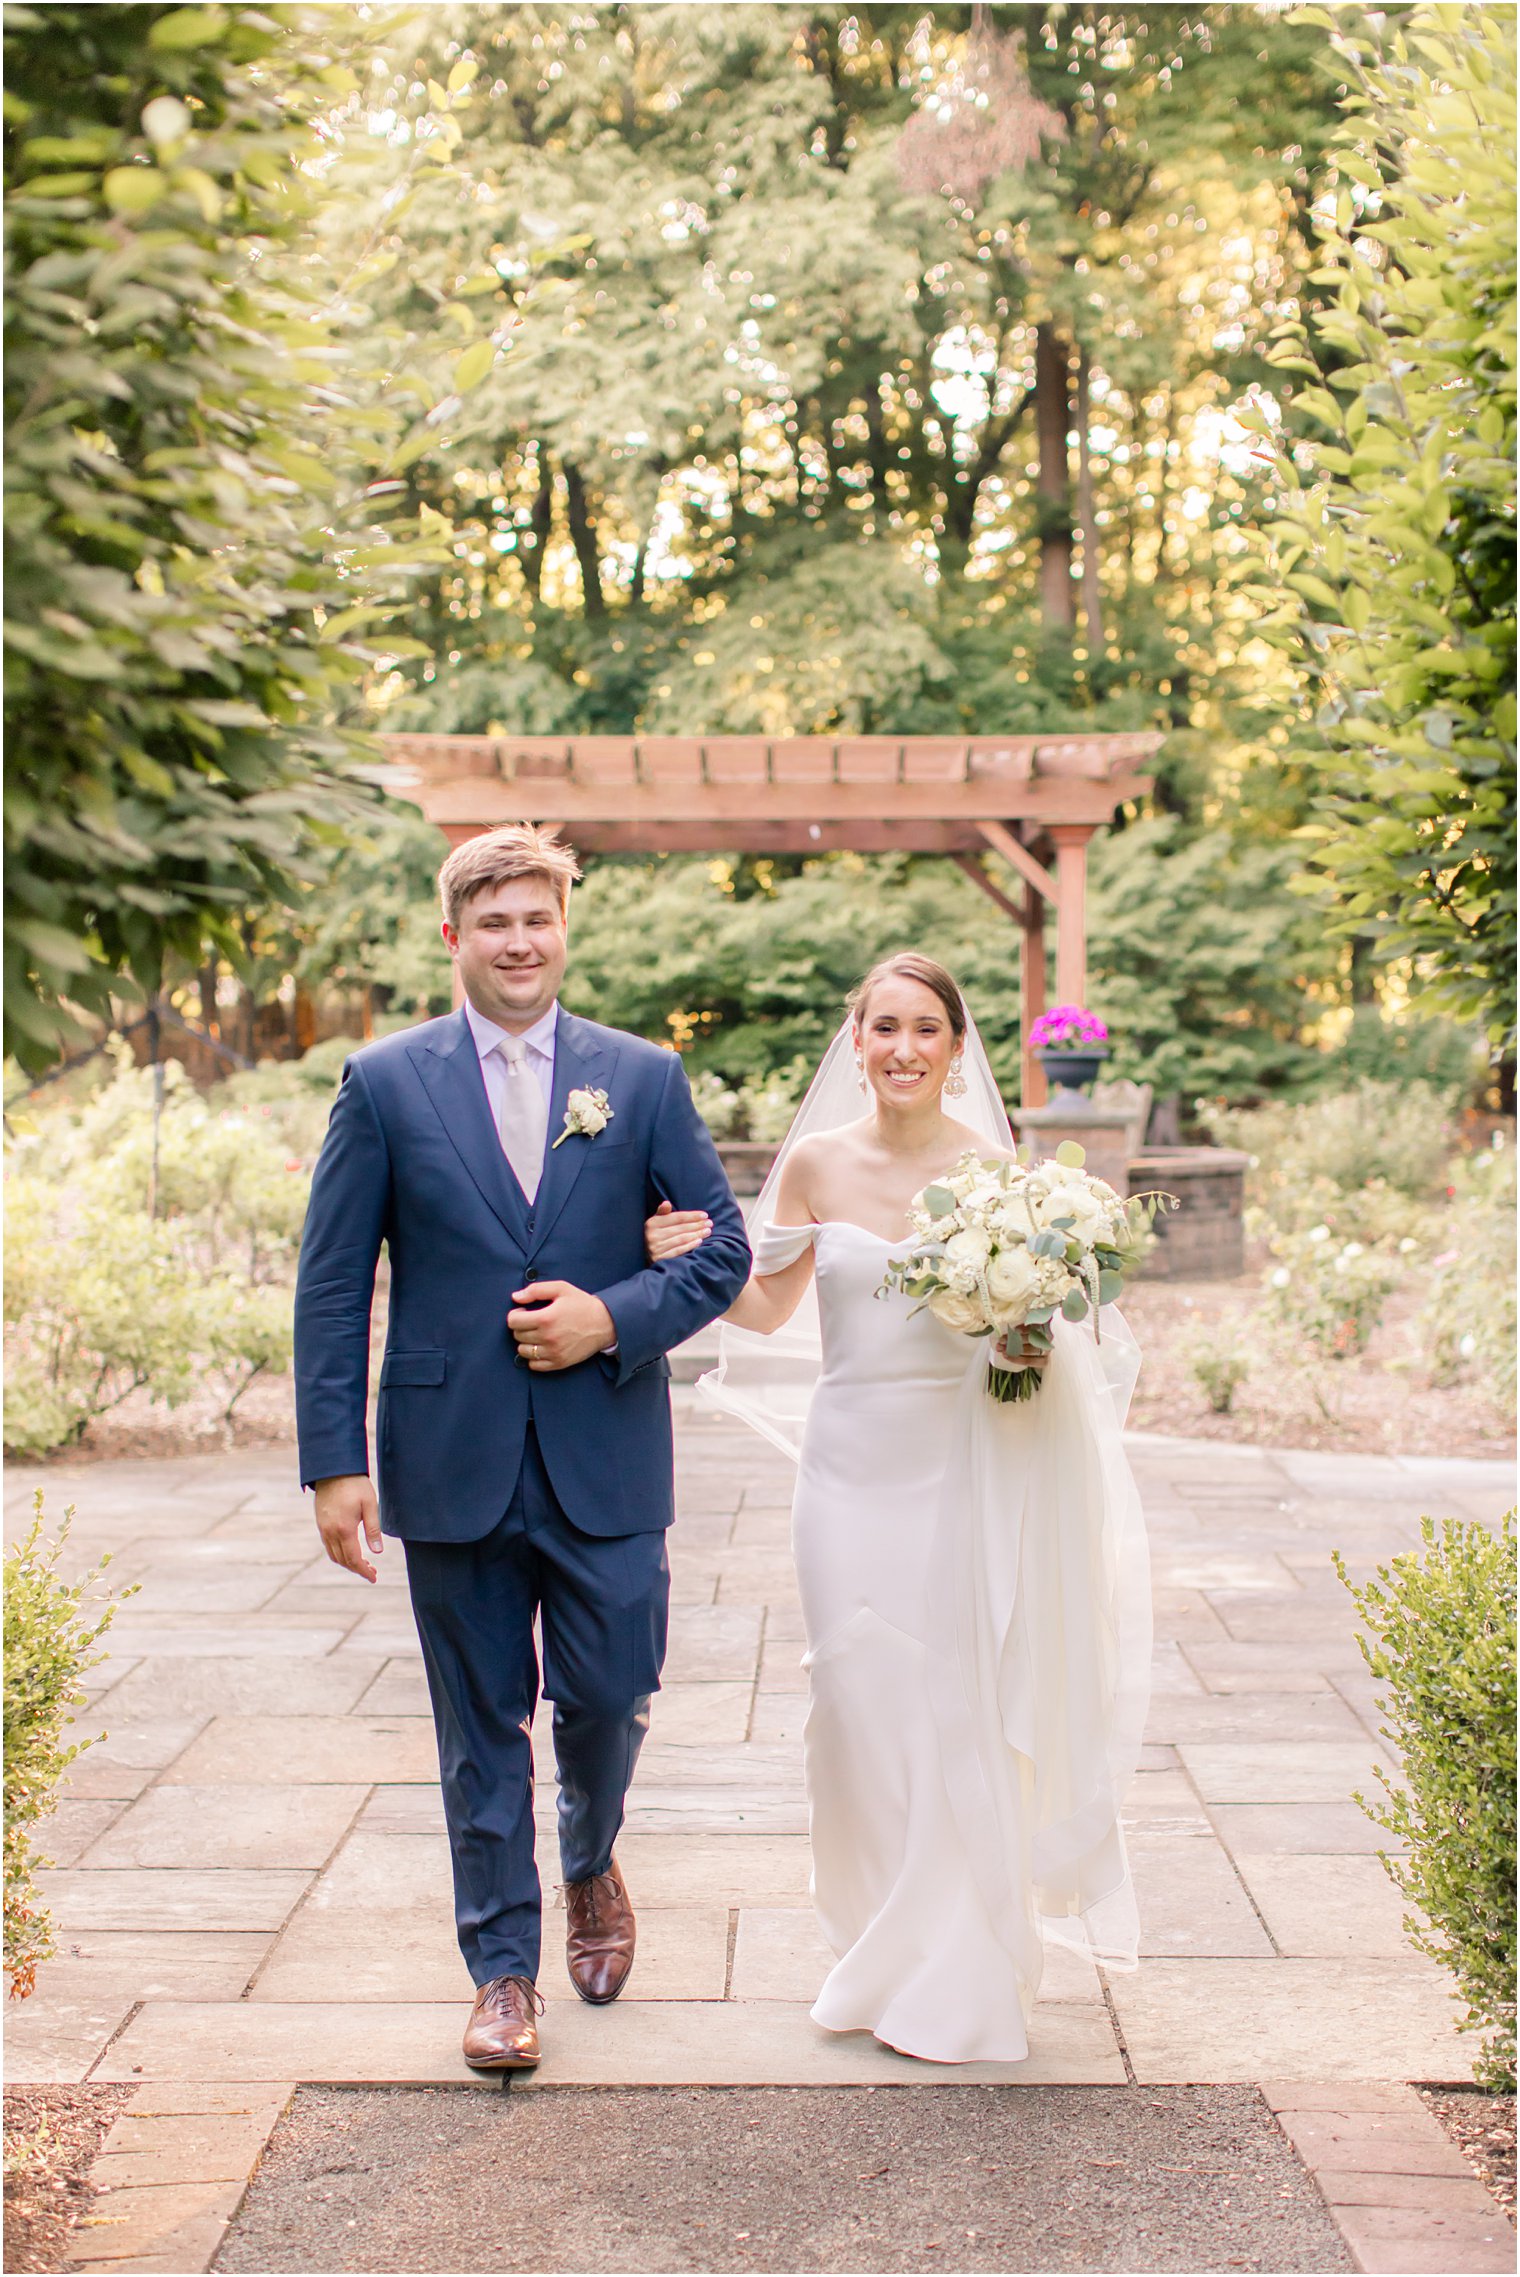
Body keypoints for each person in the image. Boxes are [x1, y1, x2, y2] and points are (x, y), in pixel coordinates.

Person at [293, 824, 751, 2072]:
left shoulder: (641, 1078)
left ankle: (592, 1850)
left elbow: (722, 1250)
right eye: (493, 921)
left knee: (608, 1694)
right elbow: (334, 1285)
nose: (518, 941)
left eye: (537, 918)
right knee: (477, 1727)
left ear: (564, 929)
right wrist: (334, 1463)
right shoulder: (384, 1083)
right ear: (454, 938)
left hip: (604, 1447)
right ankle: (502, 1975)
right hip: (447, 1454)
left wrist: (615, 1316)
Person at [645, 954, 1151, 2064]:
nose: (905, 1048)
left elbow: (1040, 1340)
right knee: (851, 1706)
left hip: (959, 1466)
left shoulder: (998, 1174)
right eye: (884, 1027)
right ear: (855, 1038)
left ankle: (956, 1968)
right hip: (844, 1473)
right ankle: (871, 1944)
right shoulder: (816, 1166)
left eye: (927, 1028)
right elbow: (770, 1310)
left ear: (957, 1048)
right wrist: (693, 1255)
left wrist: (1027, 1333)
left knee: (950, 1705)